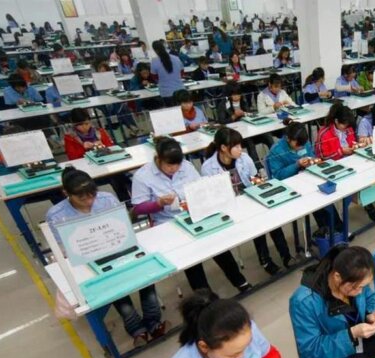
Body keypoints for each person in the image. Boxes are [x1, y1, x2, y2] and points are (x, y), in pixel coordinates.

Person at [46, 168, 167, 347]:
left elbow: (123, 228)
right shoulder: (56, 215)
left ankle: (153, 320)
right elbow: (63, 249)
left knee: (145, 272)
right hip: (88, 258)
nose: (89, 201)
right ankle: (135, 328)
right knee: (114, 285)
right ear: (66, 193)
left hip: (119, 247)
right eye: (82, 198)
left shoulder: (107, 199)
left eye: (92, 195)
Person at [131, 138, 252, 293]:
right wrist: (158, 203)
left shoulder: (187, 167)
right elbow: (138, 208)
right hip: (168, 222)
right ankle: (205, 296)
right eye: (169, 165)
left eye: (177, 164)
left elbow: (200, 188)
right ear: (158, 158)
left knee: (217, 243)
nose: (174, 169)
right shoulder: (143, 176)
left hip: (193, 214)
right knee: (191, 255)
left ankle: (239, 281)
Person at [289, 245, 375, 358]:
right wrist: (351, 334)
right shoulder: (304, 302)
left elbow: (369, 297)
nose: (360, 292)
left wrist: (370, 312)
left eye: (363, 286)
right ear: (337, 277)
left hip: (360, 340)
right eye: (356, 288)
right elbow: (311, 348)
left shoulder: (355, 278)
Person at [201, 127, 294, 275]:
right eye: (236, 146)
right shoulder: (208, 168)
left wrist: (258, 181)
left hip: (250, 198)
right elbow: (211, 195)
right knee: (257, 224)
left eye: (240, 145)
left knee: (270, 219)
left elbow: (255, 177)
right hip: (229, 207)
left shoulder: (244, 158)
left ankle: (286, 255)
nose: (240, 149)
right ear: (223, 148)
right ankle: (265, 260)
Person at [268, 122, 343, 231]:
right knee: (315, 197)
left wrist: (312, 161)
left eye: (302, 144)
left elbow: (312, 155)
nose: (301, 147)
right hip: (291, 186)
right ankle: (331, 230)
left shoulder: (303, 141)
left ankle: (335, 229)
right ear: (288, 138)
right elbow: (278, 176)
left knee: (323, 194)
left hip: (308, 178)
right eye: (298, 145)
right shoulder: (276, 151)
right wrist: (296, 165)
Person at [150, 39, 185, 105]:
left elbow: (154, 77)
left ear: (155, 50)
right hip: (180, 90)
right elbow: (182, 72)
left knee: (171, 110)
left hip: (166, 92)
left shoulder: (154, 61)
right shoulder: (176, 58)